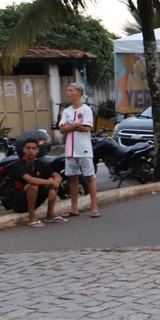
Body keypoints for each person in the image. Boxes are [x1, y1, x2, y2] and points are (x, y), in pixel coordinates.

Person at [58, 82, 100, 218]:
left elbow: (87, 128)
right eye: (68, 90)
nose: (68, 93)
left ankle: (94, 207)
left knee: (89, 177)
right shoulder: (67, 111)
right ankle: (74, 207)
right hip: (70, 150)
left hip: (84, 149)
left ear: (79, 92)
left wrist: (71, 126)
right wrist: (75, 125)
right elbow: (62, 129)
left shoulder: (86, 109)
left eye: (70, 90)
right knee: (73, 178)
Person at [8, 138, 65, 227]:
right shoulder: (18, 165)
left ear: (37, 151)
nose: (31, 151)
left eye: (34, 148)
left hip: (35, 200)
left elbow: (57, 176)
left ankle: (50, 215)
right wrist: (51, 183)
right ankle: (32, 218)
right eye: (28, 148)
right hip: (19, 203)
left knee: (51, 180)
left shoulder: (39, 163)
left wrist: (55, 183)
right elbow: (31, 180)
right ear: (24, 150)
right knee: (33, 185)